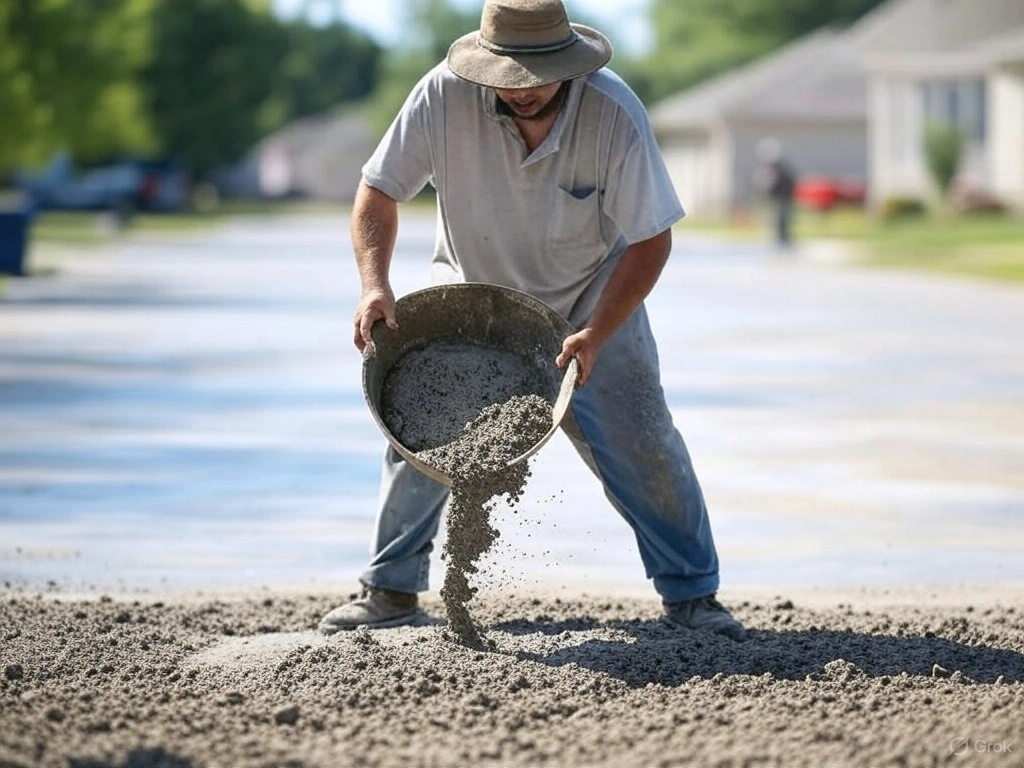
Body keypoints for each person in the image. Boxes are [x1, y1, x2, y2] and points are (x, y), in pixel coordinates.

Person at [319, 0, 746, 641]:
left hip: (589, 307)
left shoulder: (613, 113)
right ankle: (390, 590)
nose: (521, 90)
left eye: (536, 78)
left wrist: (598, 333)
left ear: (569, 65)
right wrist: (374, 285)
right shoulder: (441, 95)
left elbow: (651, 240)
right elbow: (377, 193)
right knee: (420, 430)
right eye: (507, 77)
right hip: (472, 301)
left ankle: (693, 596)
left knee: (643, 442)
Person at [756, 137, 797, 250]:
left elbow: (787, 182)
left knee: (783, 219)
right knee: (776, 219)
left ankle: (784, 240)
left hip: (784, 197)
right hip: (776, 198)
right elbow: (766, 184)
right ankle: (779, 239)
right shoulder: (769, 169)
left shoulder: (781, 169)